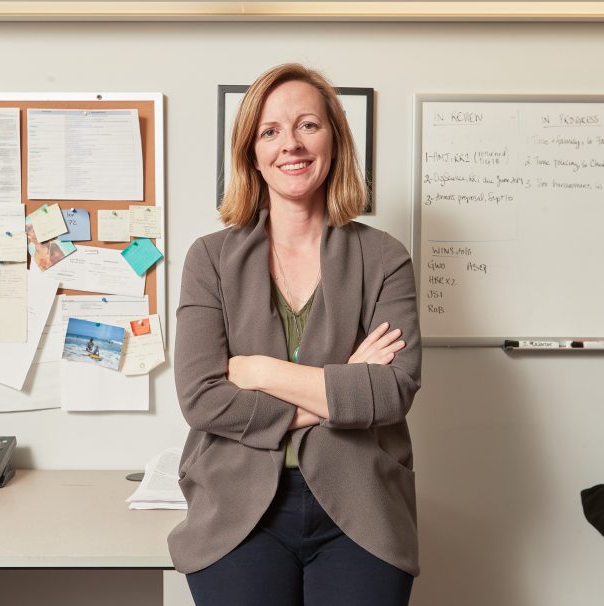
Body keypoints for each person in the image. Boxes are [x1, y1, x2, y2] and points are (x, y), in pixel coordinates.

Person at [170, 63, 422, 606]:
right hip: (237, 511)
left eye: (308, 125)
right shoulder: (210, 259)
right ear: (251, 152)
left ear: (334, 139)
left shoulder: (383, 257)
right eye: (271, 131)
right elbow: (201, 399)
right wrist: (346, 385)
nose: (291, 144)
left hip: (363, 510)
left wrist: (261, 373)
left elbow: (394, 391)